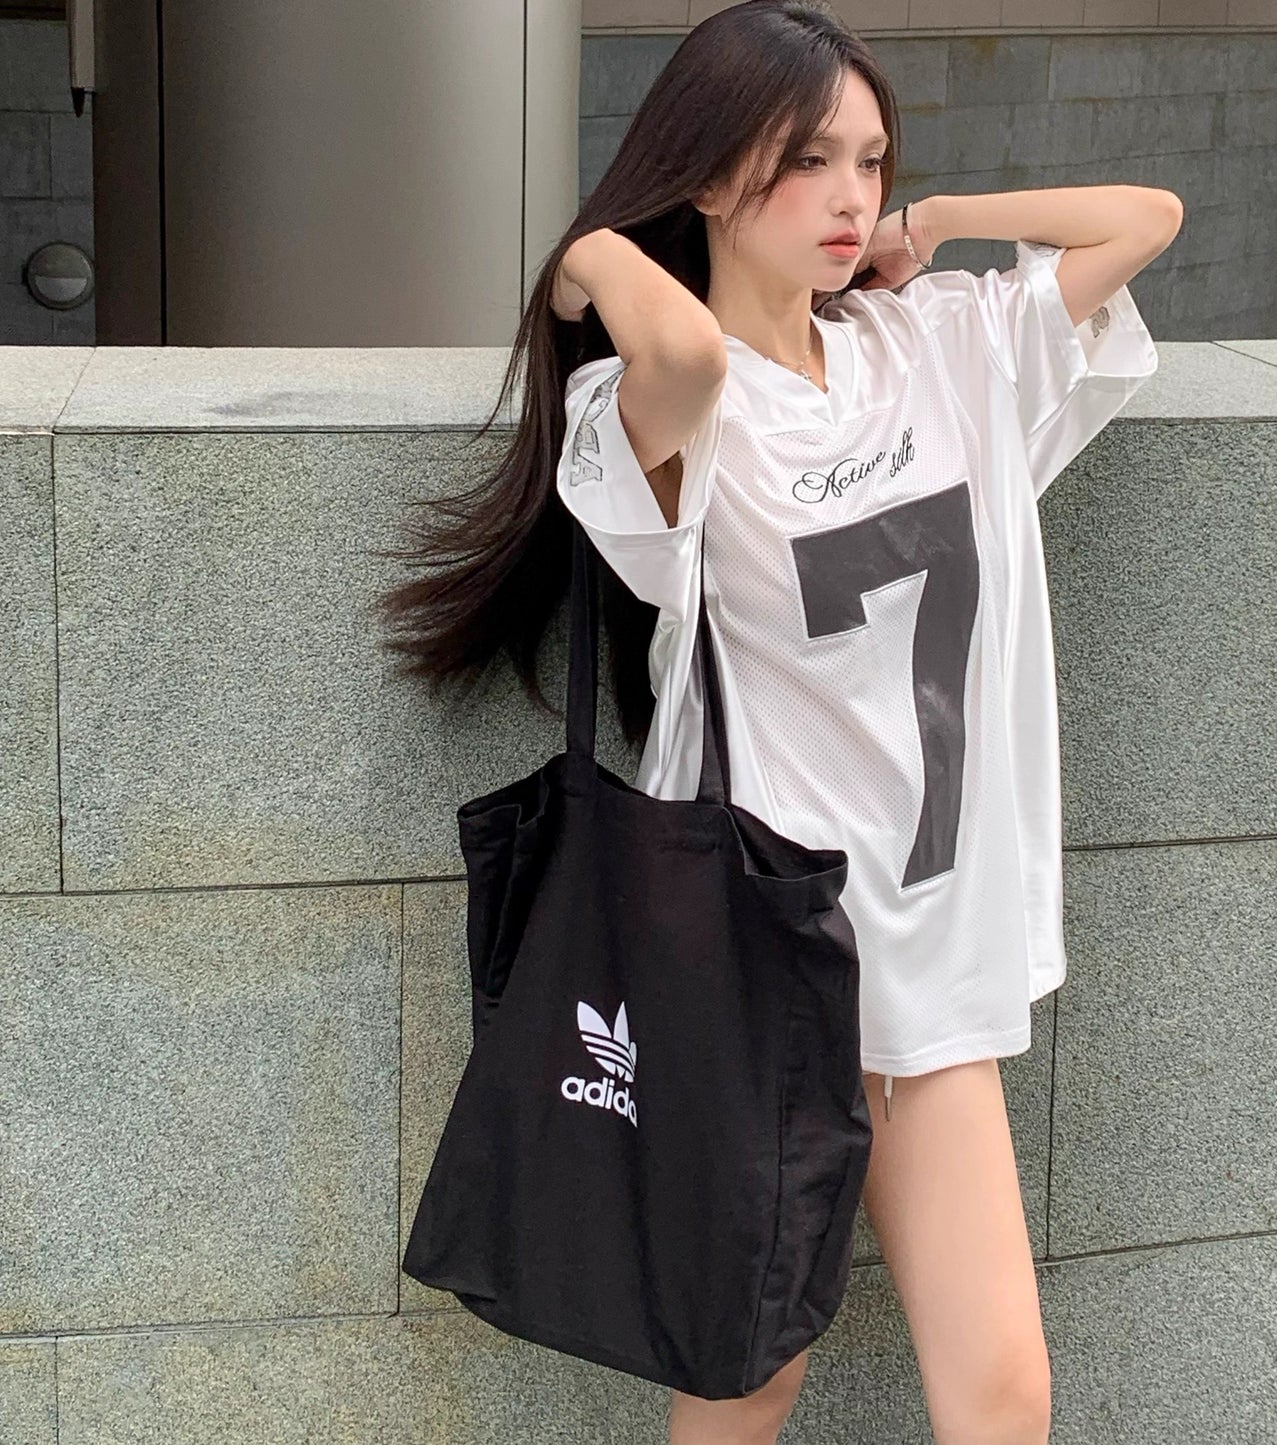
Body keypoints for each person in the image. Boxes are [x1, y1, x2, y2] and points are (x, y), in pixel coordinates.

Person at [375, 3, 1180, 1440]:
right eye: (806, 161)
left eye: (868, 159)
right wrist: (589, 254)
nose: (847, 195)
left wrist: (937, 222)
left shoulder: (940, 345)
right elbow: (686, 358)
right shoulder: (657, 404)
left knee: (1005, 1391)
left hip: (928, 957)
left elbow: (1145, 219)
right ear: (705, 173)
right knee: (751, 1379)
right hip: (750, 956)